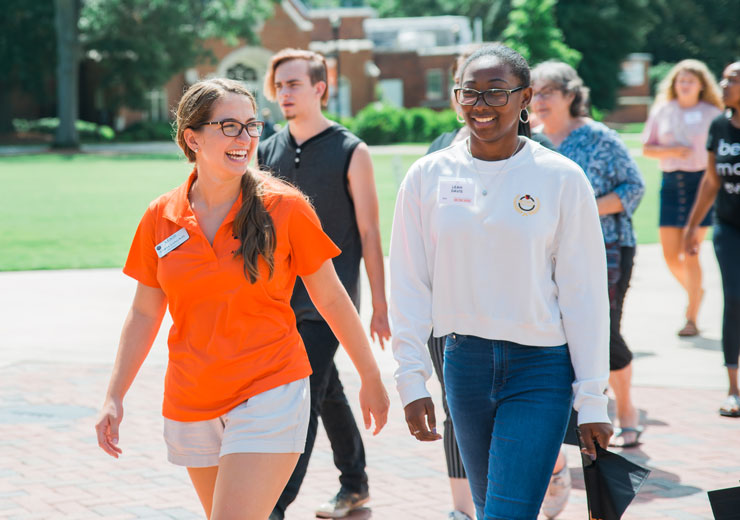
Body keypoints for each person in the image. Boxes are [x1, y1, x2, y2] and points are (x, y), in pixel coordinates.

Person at [94, 78, 389, 520]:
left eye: (252, 126)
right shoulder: (161, 215)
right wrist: (114, 395)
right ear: (192, 137)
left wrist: (371, 376)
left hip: (270, 390)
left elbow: (331, 297)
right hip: (191, 398)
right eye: (229, 126)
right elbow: (143, 312)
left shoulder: (286, 207)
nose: (246, 138)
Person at [389, 43, 613, 520]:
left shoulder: (561, 178)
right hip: (463, 365)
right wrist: (411, 380)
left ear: (525, 97)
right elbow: (409, 282)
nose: (480, 105)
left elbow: (585, 294)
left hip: (540, 370)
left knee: (505, 514)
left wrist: (593, 397)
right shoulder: (427, 176)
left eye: (496, 93)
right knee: (492, 507)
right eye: (469, 93)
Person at [258, 49, 391, 520]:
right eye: (279, 85)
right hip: (276, 302)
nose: (284, 93)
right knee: (327, 387)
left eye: (294, 84)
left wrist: (378, 304)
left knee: (303, 396)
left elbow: (371, 233)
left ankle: (273, 506)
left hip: (327, 306)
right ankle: (354, 485)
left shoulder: (350, 150)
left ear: (320, 88)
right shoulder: (265, 151)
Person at [531, 61, 646, 452]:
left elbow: (634, 186)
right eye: (535, 91)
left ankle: (627, 409)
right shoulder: (527, 140)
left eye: (548, 91)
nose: (540, 100)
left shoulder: (600, 138)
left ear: (570, 95)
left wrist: (583, 209)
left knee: (604, 330)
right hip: (547, 254)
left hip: (607, 248)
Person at [643, 60, 723, 337]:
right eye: (680, 80)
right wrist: (673, 150)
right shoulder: (662, 110)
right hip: (671, 184)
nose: (685, 85)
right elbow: (647, 148)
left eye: (690, 80)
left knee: (691, 252)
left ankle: (691, 317)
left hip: (701, 184)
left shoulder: (713, 113)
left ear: (702, 85)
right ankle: (695, 290)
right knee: (670, 255)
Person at [684, 61, 740, 417]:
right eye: (724, 78)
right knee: (734, 298)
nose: (723, 84)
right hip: (728, 226)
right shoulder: (719, 126)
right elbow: (710, 180)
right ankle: (733, 388)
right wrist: (693, 226)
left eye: (732, 79)